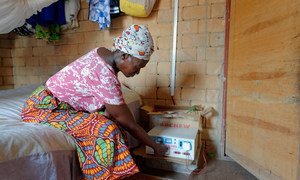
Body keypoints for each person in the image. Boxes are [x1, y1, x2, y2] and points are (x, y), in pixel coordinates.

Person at [21, 24, 168, 179]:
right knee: (105, 129)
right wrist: (155, 146)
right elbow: (130, 123)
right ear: (124, 56)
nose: (137, 72)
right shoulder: (105, 77)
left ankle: (120, 174)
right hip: (42, 108)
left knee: (112, 122)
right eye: (138, 67)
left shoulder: (102, 53)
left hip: (55, 103)